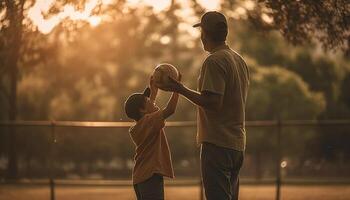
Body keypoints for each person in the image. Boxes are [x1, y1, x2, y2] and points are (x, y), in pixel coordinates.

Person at [164, 11, 250, 200]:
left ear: (205, 34)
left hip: (217, 144)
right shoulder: (238, 60)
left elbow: (213, 102)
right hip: (236, 145)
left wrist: (180, 89)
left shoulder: (214, 61)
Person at [124, 74, 181, 200]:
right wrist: (177, 89)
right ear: (142, 110)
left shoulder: (141, 125)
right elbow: (170, 110)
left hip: (141, 177)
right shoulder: (149, 121)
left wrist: (153, 92)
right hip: (150, 176)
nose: (151, 100)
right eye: (147, 100)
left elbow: (148, 109)